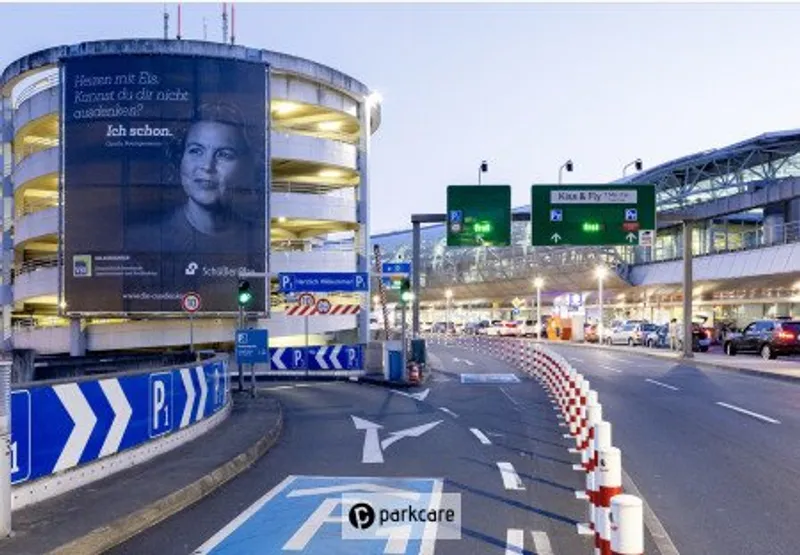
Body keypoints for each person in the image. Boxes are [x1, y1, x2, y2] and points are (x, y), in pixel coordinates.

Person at [127, 101, 265, 254]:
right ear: (180, 158)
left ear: (247, 166)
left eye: (224, 154)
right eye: (196, 151)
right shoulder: (144, 240)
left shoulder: (261, 239)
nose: (207, 166)